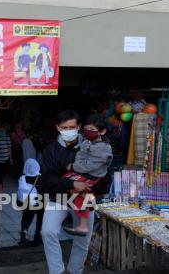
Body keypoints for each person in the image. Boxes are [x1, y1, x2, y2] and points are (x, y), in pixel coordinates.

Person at [40, 110, 98, 274]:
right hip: (58, 198)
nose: (68, 130)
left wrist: (87, 186)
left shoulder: (92, 147)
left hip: (85, 198)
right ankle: (57, 271)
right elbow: (48, 179)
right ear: (57, 127)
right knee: (48, 231)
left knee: (83, 240)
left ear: (79, 127)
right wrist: (72, 184)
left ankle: (74, 271)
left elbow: (101, 173)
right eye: (64, 127)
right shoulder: (50, 150)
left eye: (72, 127)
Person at [63, 115, 112, 236]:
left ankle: (81, 223)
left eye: (92, 129)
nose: (88, 132)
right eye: (86, 129)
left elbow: (90, 165)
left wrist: (74, 166)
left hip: (91, 175)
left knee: (77, 190)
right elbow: (81, 156)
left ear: (102, 131)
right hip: (83, 172)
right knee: (70, 187)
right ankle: (81, 222)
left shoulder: (104, 148)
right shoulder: (87, 142)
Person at [17, 159, 43, 246]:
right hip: (37, 202)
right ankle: (37, 238)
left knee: (26, 218)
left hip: (25, 202)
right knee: (40, 220)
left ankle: (23, 234)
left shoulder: (22, 177)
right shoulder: (40, 178)